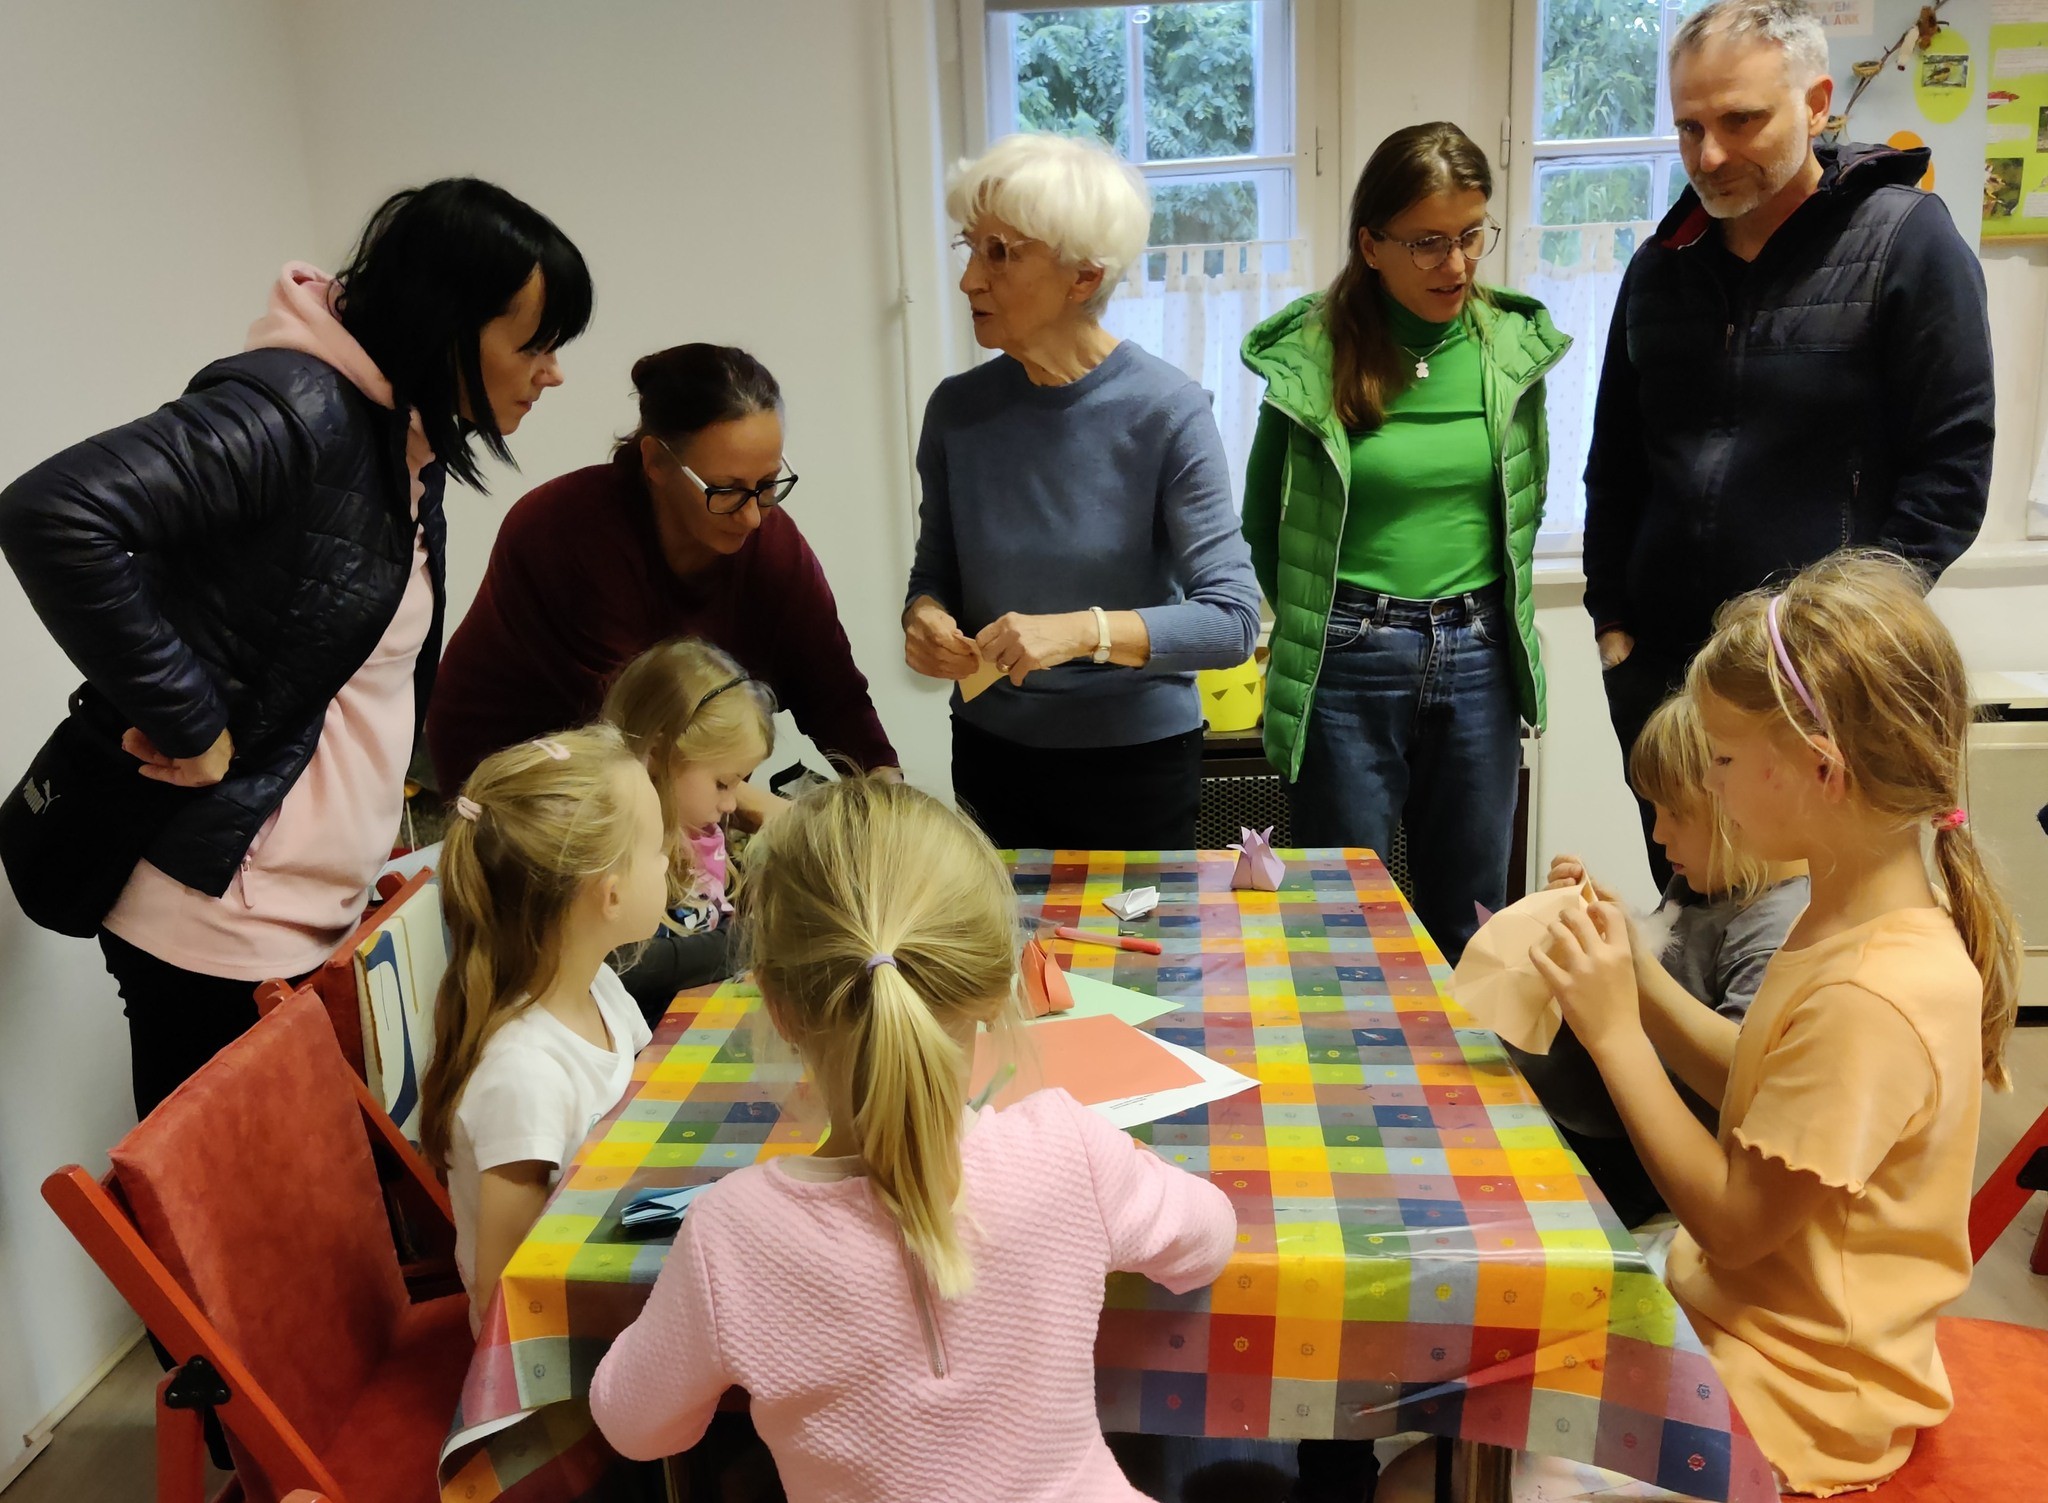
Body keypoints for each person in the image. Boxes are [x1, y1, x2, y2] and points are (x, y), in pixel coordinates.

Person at [0, 178, 592, 1116]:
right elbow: (53, 513)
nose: (552, 373)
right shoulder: (300, 409)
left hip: (300, 911)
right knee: (232, 1200)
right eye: (533, 344)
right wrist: (191, 723)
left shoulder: (399, 435)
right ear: (444, 325)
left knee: (315, 1186)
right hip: (221, 921)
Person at [588, 777, 1236, 1499]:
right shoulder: (1068, 1147)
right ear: (994, 986)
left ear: (778, 1004)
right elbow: (1209, 1240)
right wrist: (1112, 1166)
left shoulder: (731, 1234)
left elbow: (636, 1427)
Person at [1531, 551, 2017, 1493]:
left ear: (1819, 769)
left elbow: (1734, 1220)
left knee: (1432, 1475)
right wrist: (1635, 974)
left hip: (1795, 1395)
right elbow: (1757, 1084)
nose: (1709, 785)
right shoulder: (1846, 918)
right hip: (1744, 1323)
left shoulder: (1874, 994)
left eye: (1720, 760)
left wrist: (1615, 1034)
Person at [1582, 0, 1993, 886]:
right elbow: (1613, 463)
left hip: (1815, 690)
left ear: (1815, 104)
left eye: (1740, 121)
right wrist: (1613, 626)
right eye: (1689, 128)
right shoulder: (1660, 264)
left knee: (1807, 931)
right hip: (1664, 681)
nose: (1709, 155)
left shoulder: (1907, 243)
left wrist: (1844, 642)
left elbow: (1952, 476)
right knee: (1696, 916)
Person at [1241, 123, 1568, 964]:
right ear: (1371, 245)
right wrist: (1323, 622)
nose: (1455, 264)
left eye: (1471, 235)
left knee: (1474, 921)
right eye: (1427, 242)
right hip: (1349, 654)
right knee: (1341, 924)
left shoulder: (1510, 348)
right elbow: (1262, 521)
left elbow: (1524, 501)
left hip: (1479, 651)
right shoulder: (1312, 355)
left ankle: (1470, 1059)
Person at [903, 133, 1260, 852]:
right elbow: (936, 572)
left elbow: (1232, 621)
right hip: (989, 755)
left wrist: (1081, 632)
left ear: (1083, 278)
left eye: (1000, 254)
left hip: (1135, 766)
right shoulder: (956, 411)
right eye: (969, 248)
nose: (969, 279)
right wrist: (925, 617)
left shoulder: (1167, 411)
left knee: (1134, 935)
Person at [426, 344, 897, 803]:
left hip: (669, 774)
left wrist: (887, 793)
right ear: (656, 461)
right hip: (520, 774)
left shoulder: (772, 547)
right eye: (726, 489)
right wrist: (781, 819)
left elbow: (832, 690)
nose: (753, 516)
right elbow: (636, 736)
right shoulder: (565, 532)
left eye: (768, 484)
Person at [1517, 692, 1807, 1227]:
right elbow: (1666, 961)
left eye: (1676, 814)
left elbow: (1737, 1083)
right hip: (1583, 1119)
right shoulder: (1701, 885)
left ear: (1733, 813)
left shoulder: (1772, 930)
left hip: (1633, 1160)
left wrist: (1631, 968)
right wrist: (1602, 917)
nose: (1658, 833)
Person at [418, 727, 666, 1329]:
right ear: (610, 895)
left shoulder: (599, 988)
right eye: (657, 848)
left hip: (618, 1258)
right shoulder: (524, 1078)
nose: (670, 861)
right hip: (563, 1343)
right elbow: (505, 1303)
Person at [600, 637, 776, 1023]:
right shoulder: (613, 848)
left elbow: (715, 913)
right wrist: (746, 941)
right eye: (722, 783)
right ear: (657, 755)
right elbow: (624, 965)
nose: (732, 804)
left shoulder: (700, 833)